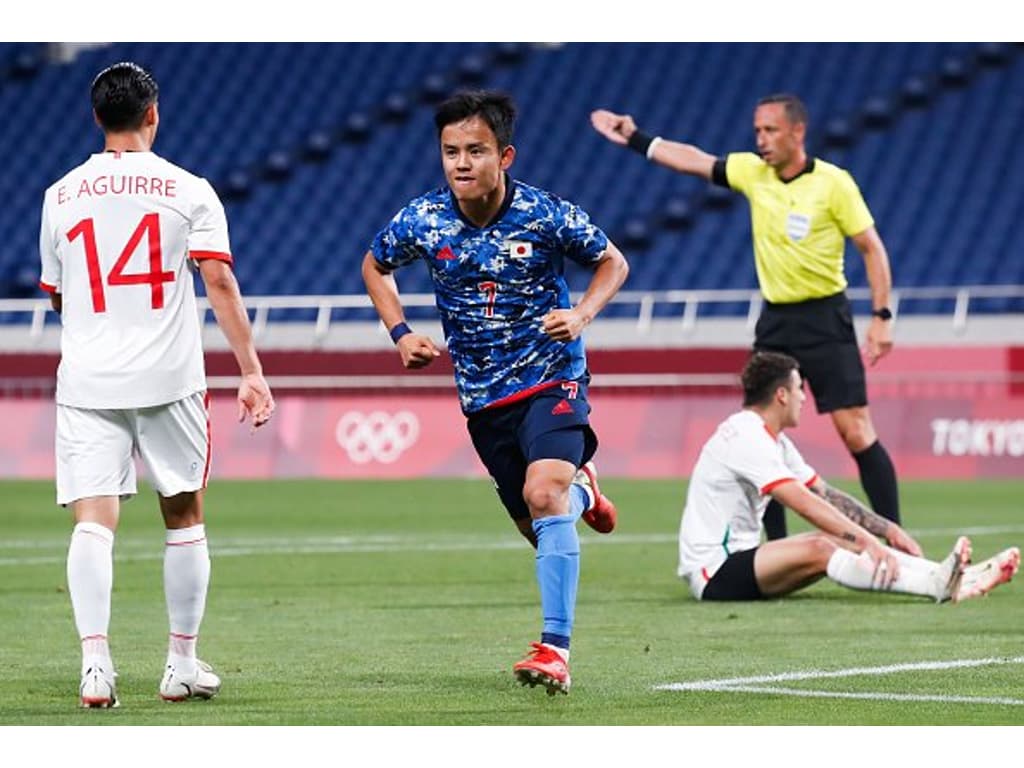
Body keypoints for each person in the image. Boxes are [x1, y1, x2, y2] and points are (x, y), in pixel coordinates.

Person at [362, 90, 629, 695]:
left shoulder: (545, 214)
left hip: (551, 376)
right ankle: (583, 496)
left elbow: (613, 262)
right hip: (482, 398)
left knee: (542, 491)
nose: (461, 163)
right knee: (539, 522)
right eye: (451, 151)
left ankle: (555, 650)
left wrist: (582, 314)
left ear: (504, 155)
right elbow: (375, 265)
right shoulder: (424, 219)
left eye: (476, 151)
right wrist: (400, 333)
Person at [38, 62, 275, 708]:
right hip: (170, 379)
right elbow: (219, 281)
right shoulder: (188, 189)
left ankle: (95, 666)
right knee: (184, 516)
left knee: (93, 521)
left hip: (88, 379)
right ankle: (180, 664)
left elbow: (59, 295)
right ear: (153, 115)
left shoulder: (59, 196)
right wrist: (251, 370)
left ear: (96, 118)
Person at [591, 95, 901, 542]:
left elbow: (872, 247)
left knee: (856, 432)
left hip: (825, 316)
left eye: (770, 131)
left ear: (797, 133)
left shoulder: (834, 184)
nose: (760, 141)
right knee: (761, 435)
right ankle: (773, 550)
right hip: (776, 321)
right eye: (757, 131)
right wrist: (636, 138)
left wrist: (882, 316)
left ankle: (898, 541)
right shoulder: (753, 173)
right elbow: (694, 162)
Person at [676, 351, 1019, 603]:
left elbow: (824, 494)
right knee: (820, 545)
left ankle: (955, 579)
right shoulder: (745, 435)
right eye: (798, 389)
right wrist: (867, 542)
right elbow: (804, 504)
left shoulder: (774, 439)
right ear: (781, 395)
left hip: (740, 560)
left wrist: (887, 530)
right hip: (713, 573)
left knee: (837, 540)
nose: (803, 398)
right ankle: (934, 585)